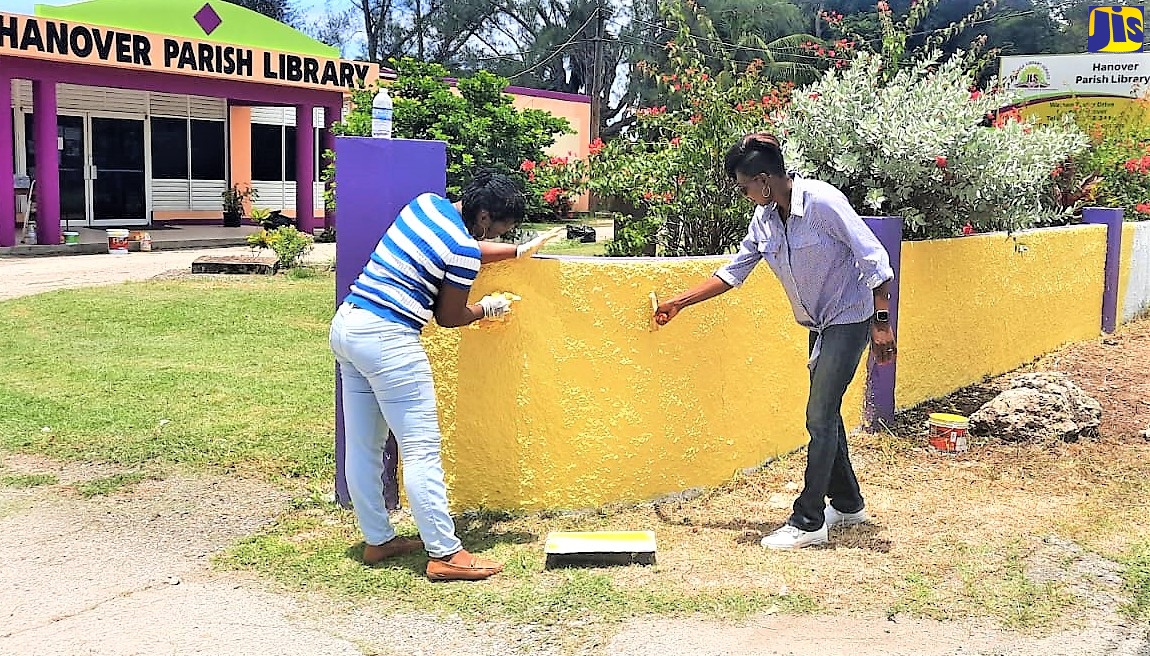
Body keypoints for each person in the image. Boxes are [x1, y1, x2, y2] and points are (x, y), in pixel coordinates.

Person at [653, 134, 896, 550]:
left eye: (745, 186)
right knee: (825, 413)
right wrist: (680, 302)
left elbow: (873, 258)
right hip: (818, 324)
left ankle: (808, 520)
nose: (745, 195)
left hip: (850, 317)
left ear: (764, 181)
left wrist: (881, 324)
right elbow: (734, 271)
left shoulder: (822, 202)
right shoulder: (765, 219)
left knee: (818, 417)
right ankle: (849, 503)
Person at [330, 171, 560, 580]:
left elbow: (461, 247)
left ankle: (378, 540)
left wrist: (517, 251)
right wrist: (488, 308)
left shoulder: (425, 205)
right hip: (390, 339)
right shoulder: (462, 251)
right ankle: (445, 554)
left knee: (364, 446)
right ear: (485, 217)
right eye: (502, 228)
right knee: (421, 449)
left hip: (349, 325)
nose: (500, 235)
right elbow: (449, 316)